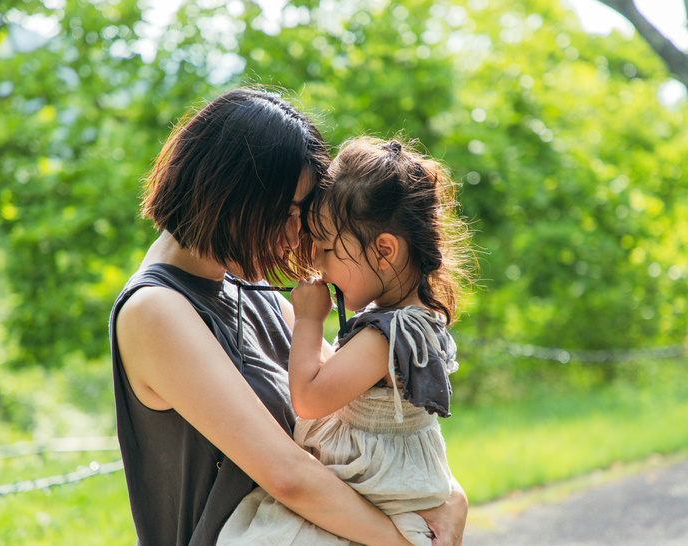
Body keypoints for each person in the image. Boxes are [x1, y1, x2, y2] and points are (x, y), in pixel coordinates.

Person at [109, 89, 468, 545]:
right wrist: (409, 542)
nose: (301, 234)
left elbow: (361, 415)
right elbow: (288, 475)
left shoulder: (254, 291)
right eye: (291, 212)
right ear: (236, 195)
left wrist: (451, 498)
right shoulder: (156, 311)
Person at [218, 136, 471, 546]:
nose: (317, 263)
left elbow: (309, 398)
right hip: (384, 487)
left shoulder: (386, 336)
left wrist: (308, 319)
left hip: (372, 491)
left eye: (327, 249)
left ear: (384, 250)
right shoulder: (410, 321)